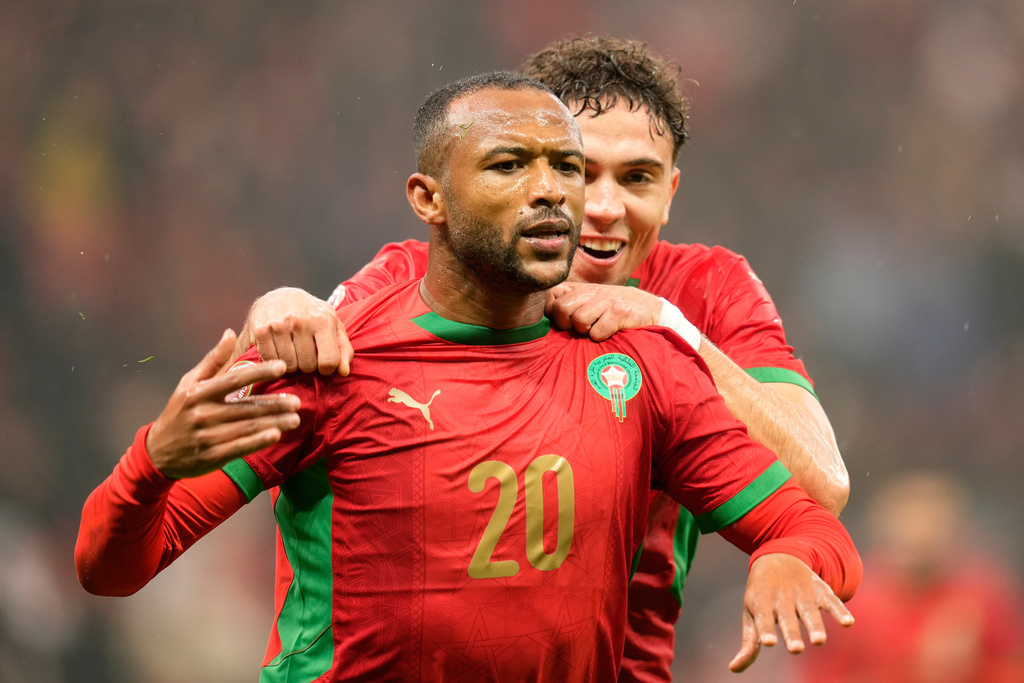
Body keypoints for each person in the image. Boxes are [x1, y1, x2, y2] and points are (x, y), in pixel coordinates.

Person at [76, 72, 861, 681]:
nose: (557, 191)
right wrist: (150, 467)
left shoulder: (640, 359)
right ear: (429, 199)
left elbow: (814, 518)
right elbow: (111, 570)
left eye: (564, 168)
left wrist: (788, 554)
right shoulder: (333, 360)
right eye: (512, 165)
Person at [796, 471, 1024, 683]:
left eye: (932, 525)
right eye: (912, 524)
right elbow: (825, 673)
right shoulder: (852, 598)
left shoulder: (983, 594)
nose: (921, 535)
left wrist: (972, 667)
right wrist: (916, 664)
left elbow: (1012, 668)